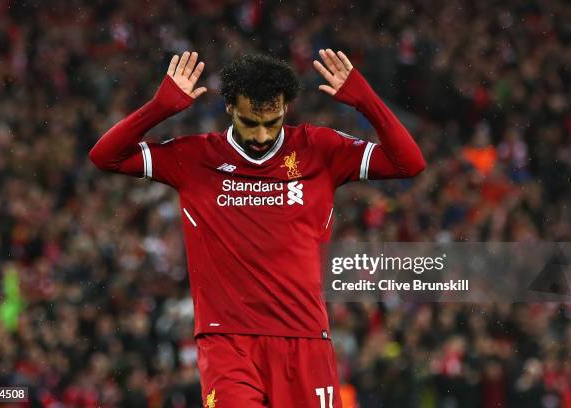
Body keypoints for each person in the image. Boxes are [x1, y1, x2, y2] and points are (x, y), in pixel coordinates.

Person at [89, 49, 426, 407]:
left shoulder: (319, 149)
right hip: (227, 342)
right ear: (230, 108)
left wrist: (366, 102)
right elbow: (104, 156)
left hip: (304, 337)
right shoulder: (196, 158)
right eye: (251, 123)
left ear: (286, 110)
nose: (262, 136)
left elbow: (409, 163)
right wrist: (159, 108)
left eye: (273, 122)